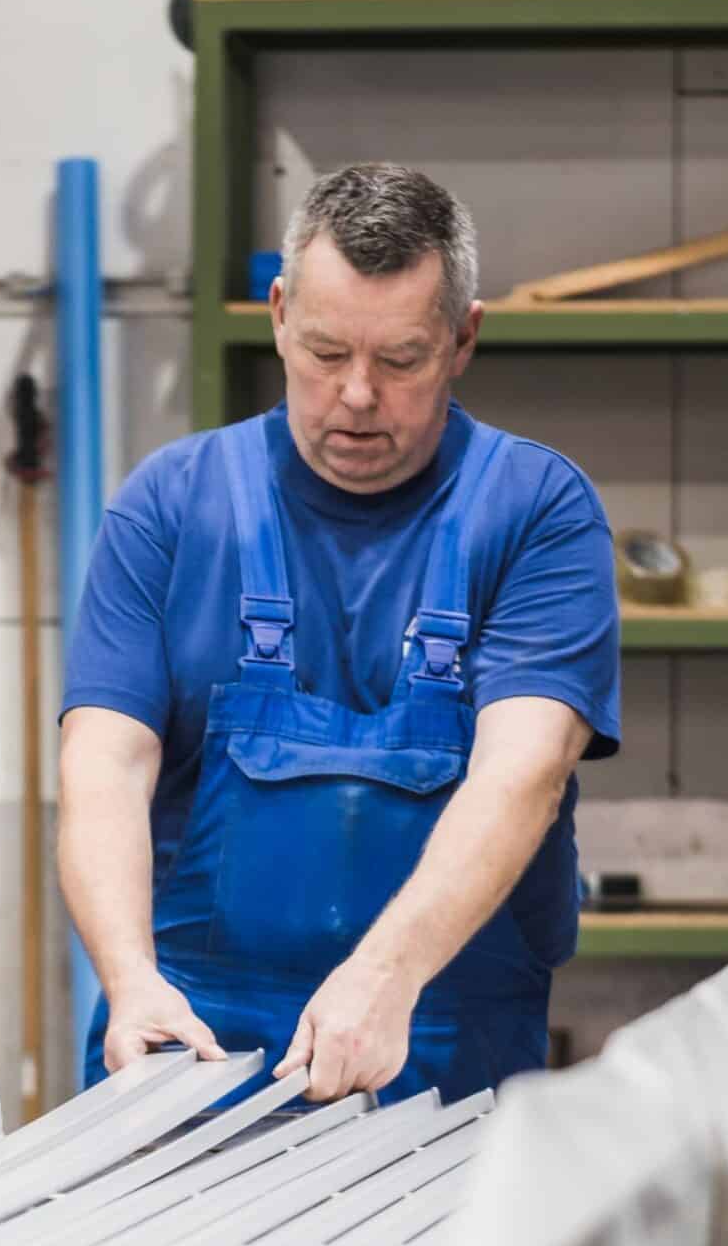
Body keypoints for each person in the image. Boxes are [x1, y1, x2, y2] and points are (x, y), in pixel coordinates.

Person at [59, 162, 620, 1106]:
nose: (357, 394)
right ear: (279, 315)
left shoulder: (536, 511)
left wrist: (386, 976)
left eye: (400, 360)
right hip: (187, 1049)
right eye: (326, 352)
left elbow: (522, 773)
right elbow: (104, 764)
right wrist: (128, 977)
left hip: (442, 1049)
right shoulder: (172, 506)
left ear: (463, 338)